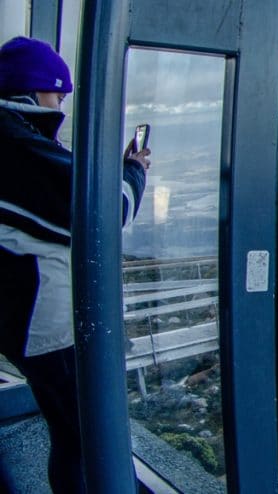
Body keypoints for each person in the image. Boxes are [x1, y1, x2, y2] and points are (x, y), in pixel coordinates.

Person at [0, 37, 150, 493]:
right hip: (46, 325)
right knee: (88, 439)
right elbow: (102, 212)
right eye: (57, 93)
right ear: (29, 91)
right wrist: (134, 172)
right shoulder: (14, 144)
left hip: (22, 318)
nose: (61, 102)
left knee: (71, 436)